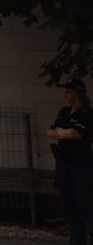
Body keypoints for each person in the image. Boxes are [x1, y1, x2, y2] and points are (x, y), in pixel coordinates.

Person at [48, 78, 93, 245]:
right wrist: (64, 132)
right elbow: (50, 132)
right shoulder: (65, 112)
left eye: (68, 92)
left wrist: (62, 132)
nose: (65, 95)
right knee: (68, 200)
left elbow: (76, 134)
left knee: (85, 200)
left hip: (81, 163)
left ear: (77, 94)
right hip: (64, 162)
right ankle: (77, 236)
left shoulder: (87, 114)